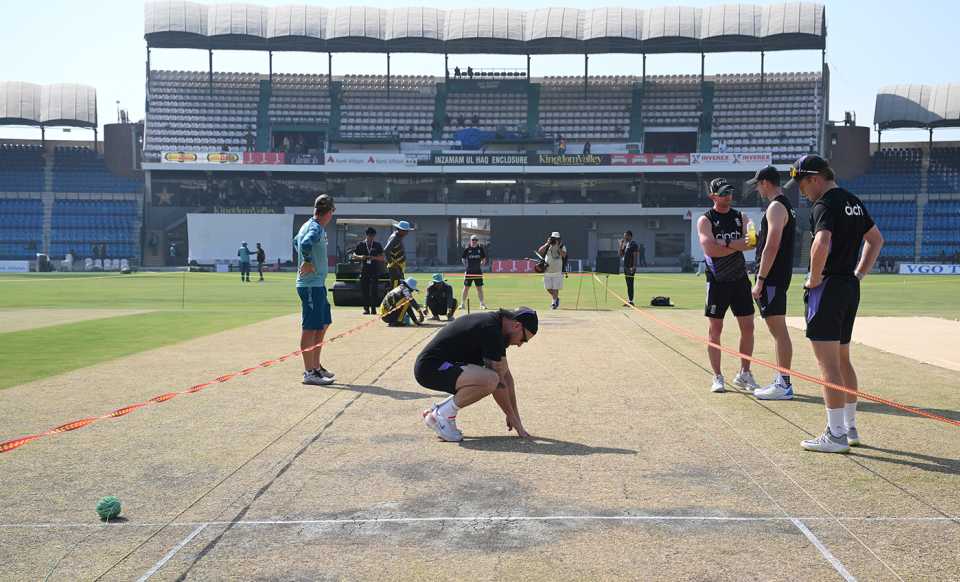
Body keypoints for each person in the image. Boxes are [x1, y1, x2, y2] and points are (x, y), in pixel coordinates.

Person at [787, 155, 884, 453]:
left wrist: (814, 278)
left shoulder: (824, 204)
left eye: (802, 185)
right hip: (848, 287)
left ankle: (836, 434)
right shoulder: (853, 201)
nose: (802, 192)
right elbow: (876, 240)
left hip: (827, 288)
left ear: (814, 178)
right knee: (843, 359)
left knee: (827, 363)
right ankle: (850, 427)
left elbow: (821, 243)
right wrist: (859, 274)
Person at [415, 307, 538, 442]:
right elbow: (499, 383)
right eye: (523, 339)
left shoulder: (496, 326)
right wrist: (511, 416)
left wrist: (515, 416)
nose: (520, 345)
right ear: (517, 325)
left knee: (493, 377)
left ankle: (438, 412)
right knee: (490, 380)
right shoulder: (491, 329)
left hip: (439, 367)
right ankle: (442, 415)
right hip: (430, 368)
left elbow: (506, 376)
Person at [697, 178, 759, 393]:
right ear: (713, 196)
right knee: (715, 330)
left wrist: (725, 243)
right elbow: (710, 250)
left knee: (748, 327)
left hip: (740, 280)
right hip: (717, 282)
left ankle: (744, 372)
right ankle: (717, 376)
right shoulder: (705, 220)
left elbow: (752, 242)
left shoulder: (741, 217)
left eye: (730, 192)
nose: (728, 196)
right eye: (723, 193)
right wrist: (737, 245)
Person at [747, 166, 797, 400]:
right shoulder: (783, 205)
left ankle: (784, 384)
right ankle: (782, 381)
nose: (756, 188)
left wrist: (760, 280)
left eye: (757, 184)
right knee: (778, 330)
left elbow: (772, 245)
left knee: (778, 331)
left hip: (772, 278)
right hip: (776, 276)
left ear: (766, 183)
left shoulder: (776, 207)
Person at [294, 194, 337, 386]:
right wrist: (308, 262)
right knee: (310, 327)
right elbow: (303, 244)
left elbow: (296, 241)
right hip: (310, 285)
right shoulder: (314, 228)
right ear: (329, 212)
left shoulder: (309, 225)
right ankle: (309, 372)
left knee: (324, 322)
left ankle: (316, 367)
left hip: (317, 284)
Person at [352, 227, 385, 315]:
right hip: (364, 269)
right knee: (364, 289)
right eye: (370, 236)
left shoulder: (377, 245)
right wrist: (361, 257)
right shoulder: (361, 244)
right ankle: (366, 309)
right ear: (366, 235)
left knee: (374, 290)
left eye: (373, 236)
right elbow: (354, 255)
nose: (371, 238)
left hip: (374, 269)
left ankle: (373, 308)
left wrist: (374, 258)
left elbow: (382, 258)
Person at [537, 232, 566, 310]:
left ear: (559, 239)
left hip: (557, 270)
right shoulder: (548, 246)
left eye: (556, 239)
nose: (555, 240)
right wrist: (547, 243)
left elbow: (564, 255)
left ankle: (553, 303)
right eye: (553, 238)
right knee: (548, 288)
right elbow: (540, 251)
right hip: (547, 270)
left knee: (555, 288)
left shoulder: (561, 246)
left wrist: (557, 246)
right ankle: (556, 298)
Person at [383, 220, 414, 289]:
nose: (407, 233)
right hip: (395, 267)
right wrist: (393, 264)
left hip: (398, 267)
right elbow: (386, 250)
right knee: (395, 287)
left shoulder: (398, 237)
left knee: (399, 286)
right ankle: (393, 299)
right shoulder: (395, 238)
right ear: (400, 230)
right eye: (406, 231)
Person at [461, 234, 488, 310]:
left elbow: (484, 259)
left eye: (476, 240)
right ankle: (462, 304)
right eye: (473, 240)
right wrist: (466, 266)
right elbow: (463, 258)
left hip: (478, 272)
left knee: (479, 288)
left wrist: (482, 264)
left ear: (477, 241)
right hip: (469, 272)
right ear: (470, 240)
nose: (474, 241)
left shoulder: (480, 249)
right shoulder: (467, 249)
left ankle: (482, 304)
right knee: (466, 288)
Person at [619, 230, 639, 306]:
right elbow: (621, 255)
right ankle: (630, 300)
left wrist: (634, 266)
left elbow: (635, 255)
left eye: (626, 236)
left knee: (630, 283)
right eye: (624, 236)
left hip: (630, 267)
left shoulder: (634, 244)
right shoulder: (626, 244)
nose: (625, 237)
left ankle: (631, 301)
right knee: (628, 284)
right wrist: (621, 245)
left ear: (630, 236)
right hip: (626, 267)